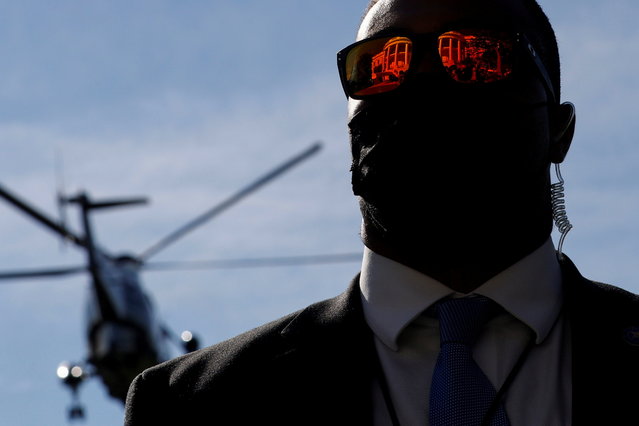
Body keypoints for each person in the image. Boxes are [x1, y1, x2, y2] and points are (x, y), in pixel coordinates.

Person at [124, 0, 639, 424]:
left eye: (476, 56)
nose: (421, 82)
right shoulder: (192, 405)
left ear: (559, 129)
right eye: (382, 64)